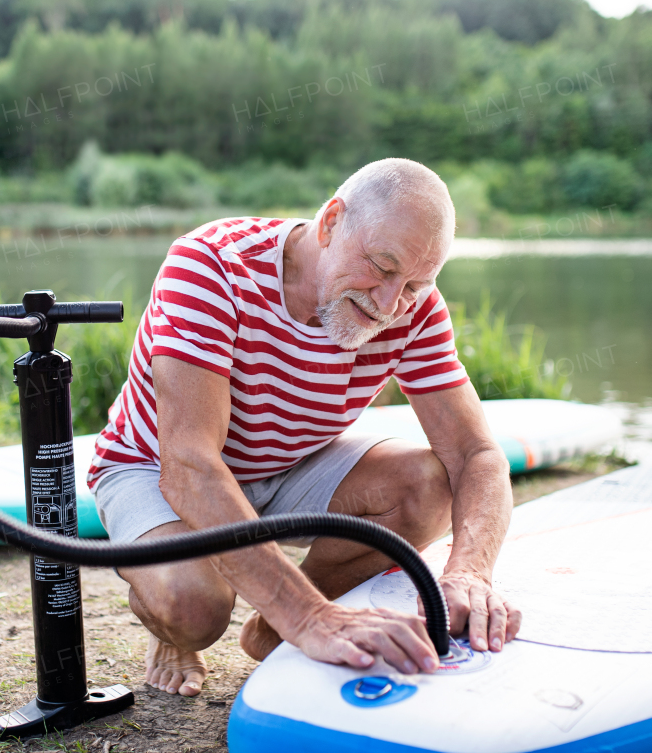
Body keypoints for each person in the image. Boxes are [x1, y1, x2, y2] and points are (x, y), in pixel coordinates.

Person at [89, 158, 522, 697]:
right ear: (331, 221)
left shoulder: (413, 308)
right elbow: (190, 466)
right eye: (382, 267)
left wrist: (469, 575)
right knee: (196, 605)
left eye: (415, 283)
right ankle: (232, 623)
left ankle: (273, 634)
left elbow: (476, 454)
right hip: (156, 466)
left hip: (291, 462)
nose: (390, 305)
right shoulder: (211, 266)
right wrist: (311, 615)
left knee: (426, 484)